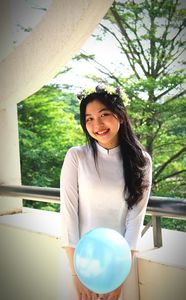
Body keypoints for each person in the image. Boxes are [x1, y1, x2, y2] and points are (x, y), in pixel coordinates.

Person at [60, 85, 152, 300]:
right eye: (89, 118)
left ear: (120, 115)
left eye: (104, 115)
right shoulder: (77, 157)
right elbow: (68, 215)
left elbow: (135, 220)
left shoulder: (141, 161)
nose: (96, 124)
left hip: (119, 264)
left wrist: (120, 276)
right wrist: (75, 273)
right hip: (80, 261)